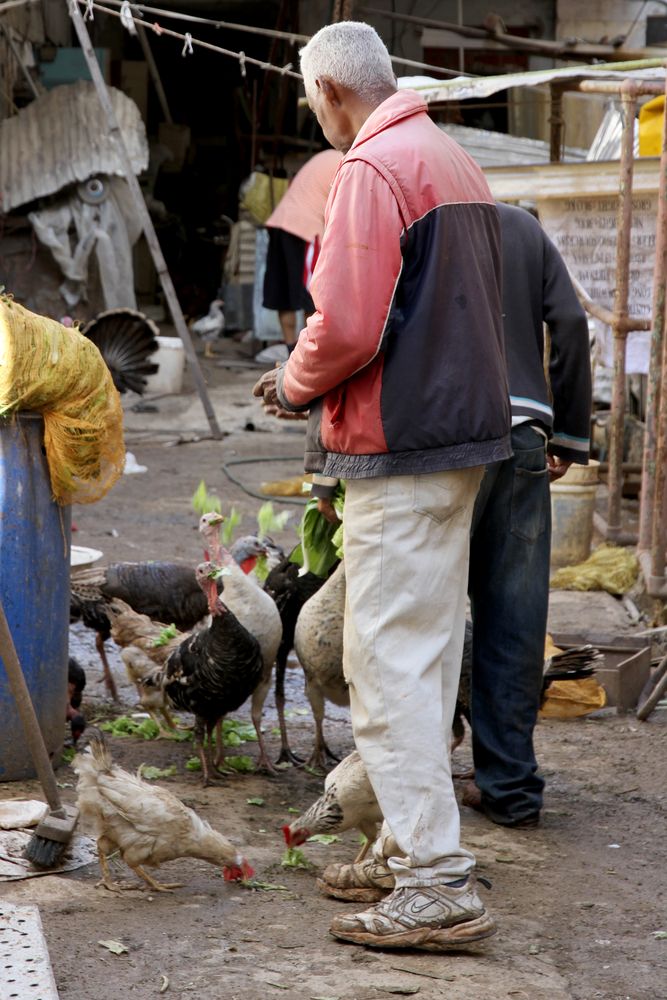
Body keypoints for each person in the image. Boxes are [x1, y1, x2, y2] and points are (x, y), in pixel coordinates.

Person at [253, 21, 511, 952]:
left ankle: (436, 882)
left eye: (306, 97)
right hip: (466, 436)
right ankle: (405, 843)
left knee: (386, 662)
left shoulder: (371, 168)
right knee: (428, 651)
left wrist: (290, 382)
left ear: (327, 90)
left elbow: (349, 326)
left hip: (405, 444)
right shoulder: (447, 154)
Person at [464, 202, 592, 827]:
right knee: (513, 616)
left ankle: (418, 783)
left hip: (446, 435)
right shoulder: (525, 228)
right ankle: (511, 791)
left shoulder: (427, 217)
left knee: (424, 617)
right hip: (522, 438)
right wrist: (567, 434)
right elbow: (569, 322)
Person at [263, 148, 342, 351]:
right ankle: (309, 355)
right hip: (307, 230)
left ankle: (291, 353)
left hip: (280, 223)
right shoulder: (348, 162)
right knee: (314, 298)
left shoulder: (325, 156)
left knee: (286, 297)